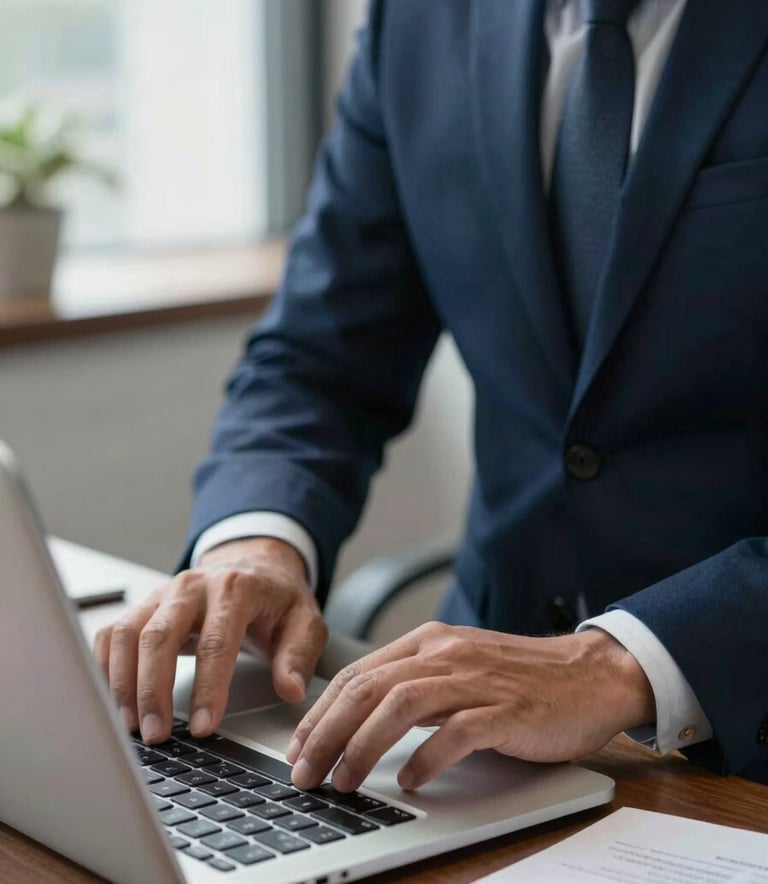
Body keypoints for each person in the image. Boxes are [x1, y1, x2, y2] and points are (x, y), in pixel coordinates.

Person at [95, 0, 768, 792]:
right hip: (466, 741)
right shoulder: (418, 21)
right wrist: (258, 542)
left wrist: (624, 661)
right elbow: (322, 351)